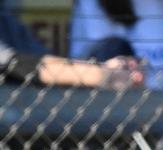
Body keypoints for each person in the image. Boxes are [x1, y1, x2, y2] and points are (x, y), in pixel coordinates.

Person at [0, 1, 142, 87]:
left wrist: (113, 70)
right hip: (13, 118)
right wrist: (103, 74)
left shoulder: (6, 18)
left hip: (42, 104)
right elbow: (17, 64)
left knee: (114, 47)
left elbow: (43, 61)